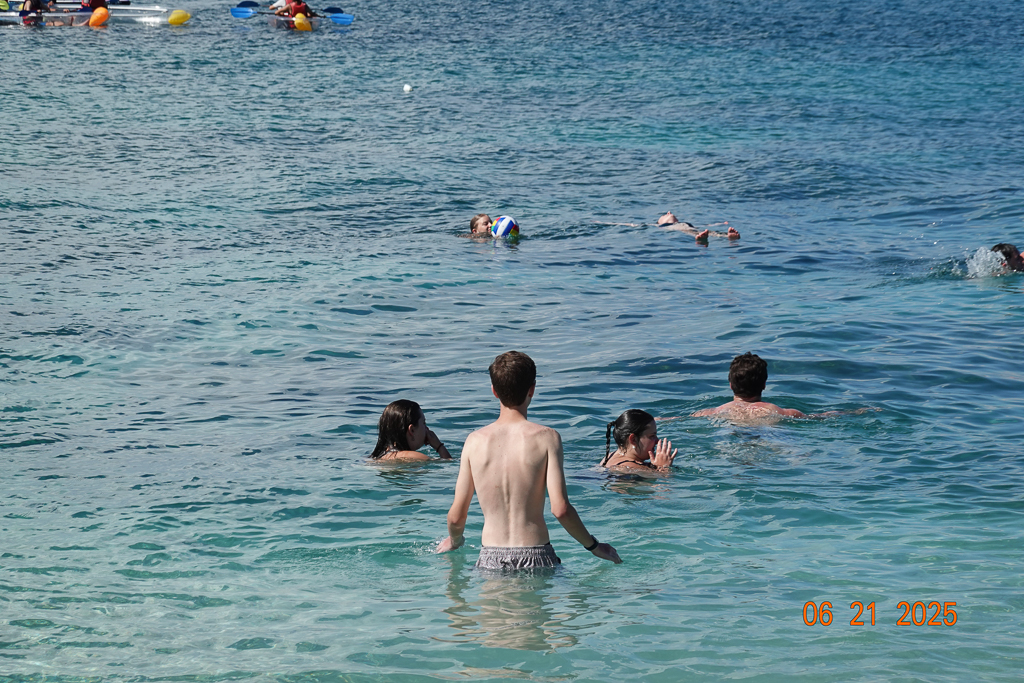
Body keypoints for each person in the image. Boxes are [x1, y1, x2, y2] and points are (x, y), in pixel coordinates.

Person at [437, 351, 622, 569]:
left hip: (490, 559)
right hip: (537, 555)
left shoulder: (474, 442)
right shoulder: (547, 438)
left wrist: (455, 541)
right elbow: (561, 509)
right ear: (532, 389)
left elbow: (456, 517)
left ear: (494, 391)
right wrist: (594, 546)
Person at [692, 352, 807, 420]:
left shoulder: (711, 412)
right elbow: (815, 418)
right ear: (764, 385)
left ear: (731, 385)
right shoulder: (784, 413)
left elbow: (683, 419)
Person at [369, 399, 451, 461]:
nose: (427, 429)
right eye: (424, 423)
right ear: (412, 430)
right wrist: (439, 447)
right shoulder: (416, 457)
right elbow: (447, 464)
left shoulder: (376, 457)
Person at [599, 409, 676, 472]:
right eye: (652, 436)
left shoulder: (609, 457)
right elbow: (663, 484)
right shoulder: (632, 468)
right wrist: (663, 467)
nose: (657, 441)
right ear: (633, 440)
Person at [658, 212, 740, 242]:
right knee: (688, 231)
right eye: (664, 215)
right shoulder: (660, 226)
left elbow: (705, 226)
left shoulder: (684, 223)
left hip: (692, 228)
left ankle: (726, 236)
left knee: (706, 231)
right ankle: (699, 238)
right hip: (682, 230)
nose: (669, 212)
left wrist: (720, 223)